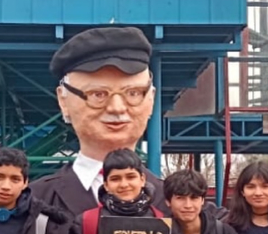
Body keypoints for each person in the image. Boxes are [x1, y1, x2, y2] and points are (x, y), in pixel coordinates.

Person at [31, 26, 167, 218]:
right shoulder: (32, 203)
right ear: (64, 101)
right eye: (98, 94)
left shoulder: (177, 203)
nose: (117, 108)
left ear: (151, 98)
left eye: (133, 93)